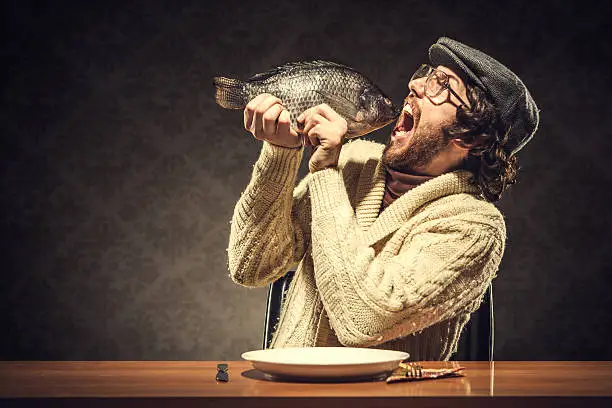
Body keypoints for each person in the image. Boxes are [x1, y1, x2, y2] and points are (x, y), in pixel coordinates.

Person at [227, 37, 539, 360]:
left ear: (470, 136)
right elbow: (251, 266)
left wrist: (324, 173)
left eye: (441, 85)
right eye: (427, 74)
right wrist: (281, 153)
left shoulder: (475, 228)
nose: (414, 84)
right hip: (281, 394)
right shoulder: (353, 161)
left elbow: (363, 321)